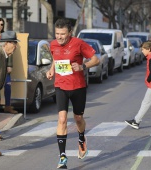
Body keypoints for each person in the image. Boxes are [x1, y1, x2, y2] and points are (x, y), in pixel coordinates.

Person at [46, 18, 99, 169]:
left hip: (78, 87)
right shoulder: (53, 44)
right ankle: (62, 157)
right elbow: (56, 59)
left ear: (70, 33)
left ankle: (81, 138)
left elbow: (96, 59)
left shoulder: (78, 43)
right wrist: (51, 70)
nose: (59, 37)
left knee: (78, 118)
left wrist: (83, 66)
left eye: (63, 34)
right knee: (62, 119)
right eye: (57, 34)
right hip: (61, 86)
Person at [125, 40, 151, 129]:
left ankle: (136, 122)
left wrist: (148, 79)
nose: (142, 51)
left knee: (145, 103)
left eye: (143, 49)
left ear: (148, 49)